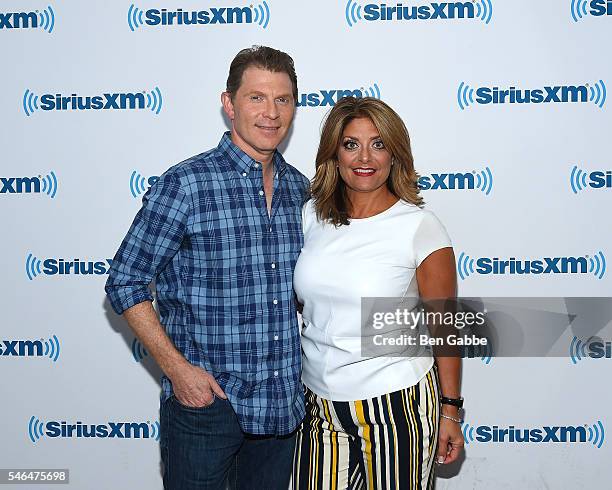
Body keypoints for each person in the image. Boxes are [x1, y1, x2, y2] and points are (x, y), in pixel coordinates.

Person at [105, 46, 309, 490]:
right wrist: (179, 371)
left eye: (283, 99)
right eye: (256, 97)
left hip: (281, 411)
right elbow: (125, 280)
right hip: (208, 409)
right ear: (229, 104)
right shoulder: (186, 184)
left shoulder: (301, 189)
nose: (271, 113)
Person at [292, 97, 464, 489]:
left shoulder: (420, 227)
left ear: (395, 154)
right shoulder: (310, 216)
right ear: (334, 153)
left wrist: (450, 411)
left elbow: (445, 328)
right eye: (351, 144)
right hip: (317, 404)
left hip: (395, 404)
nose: (364, 156)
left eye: (378, 143)